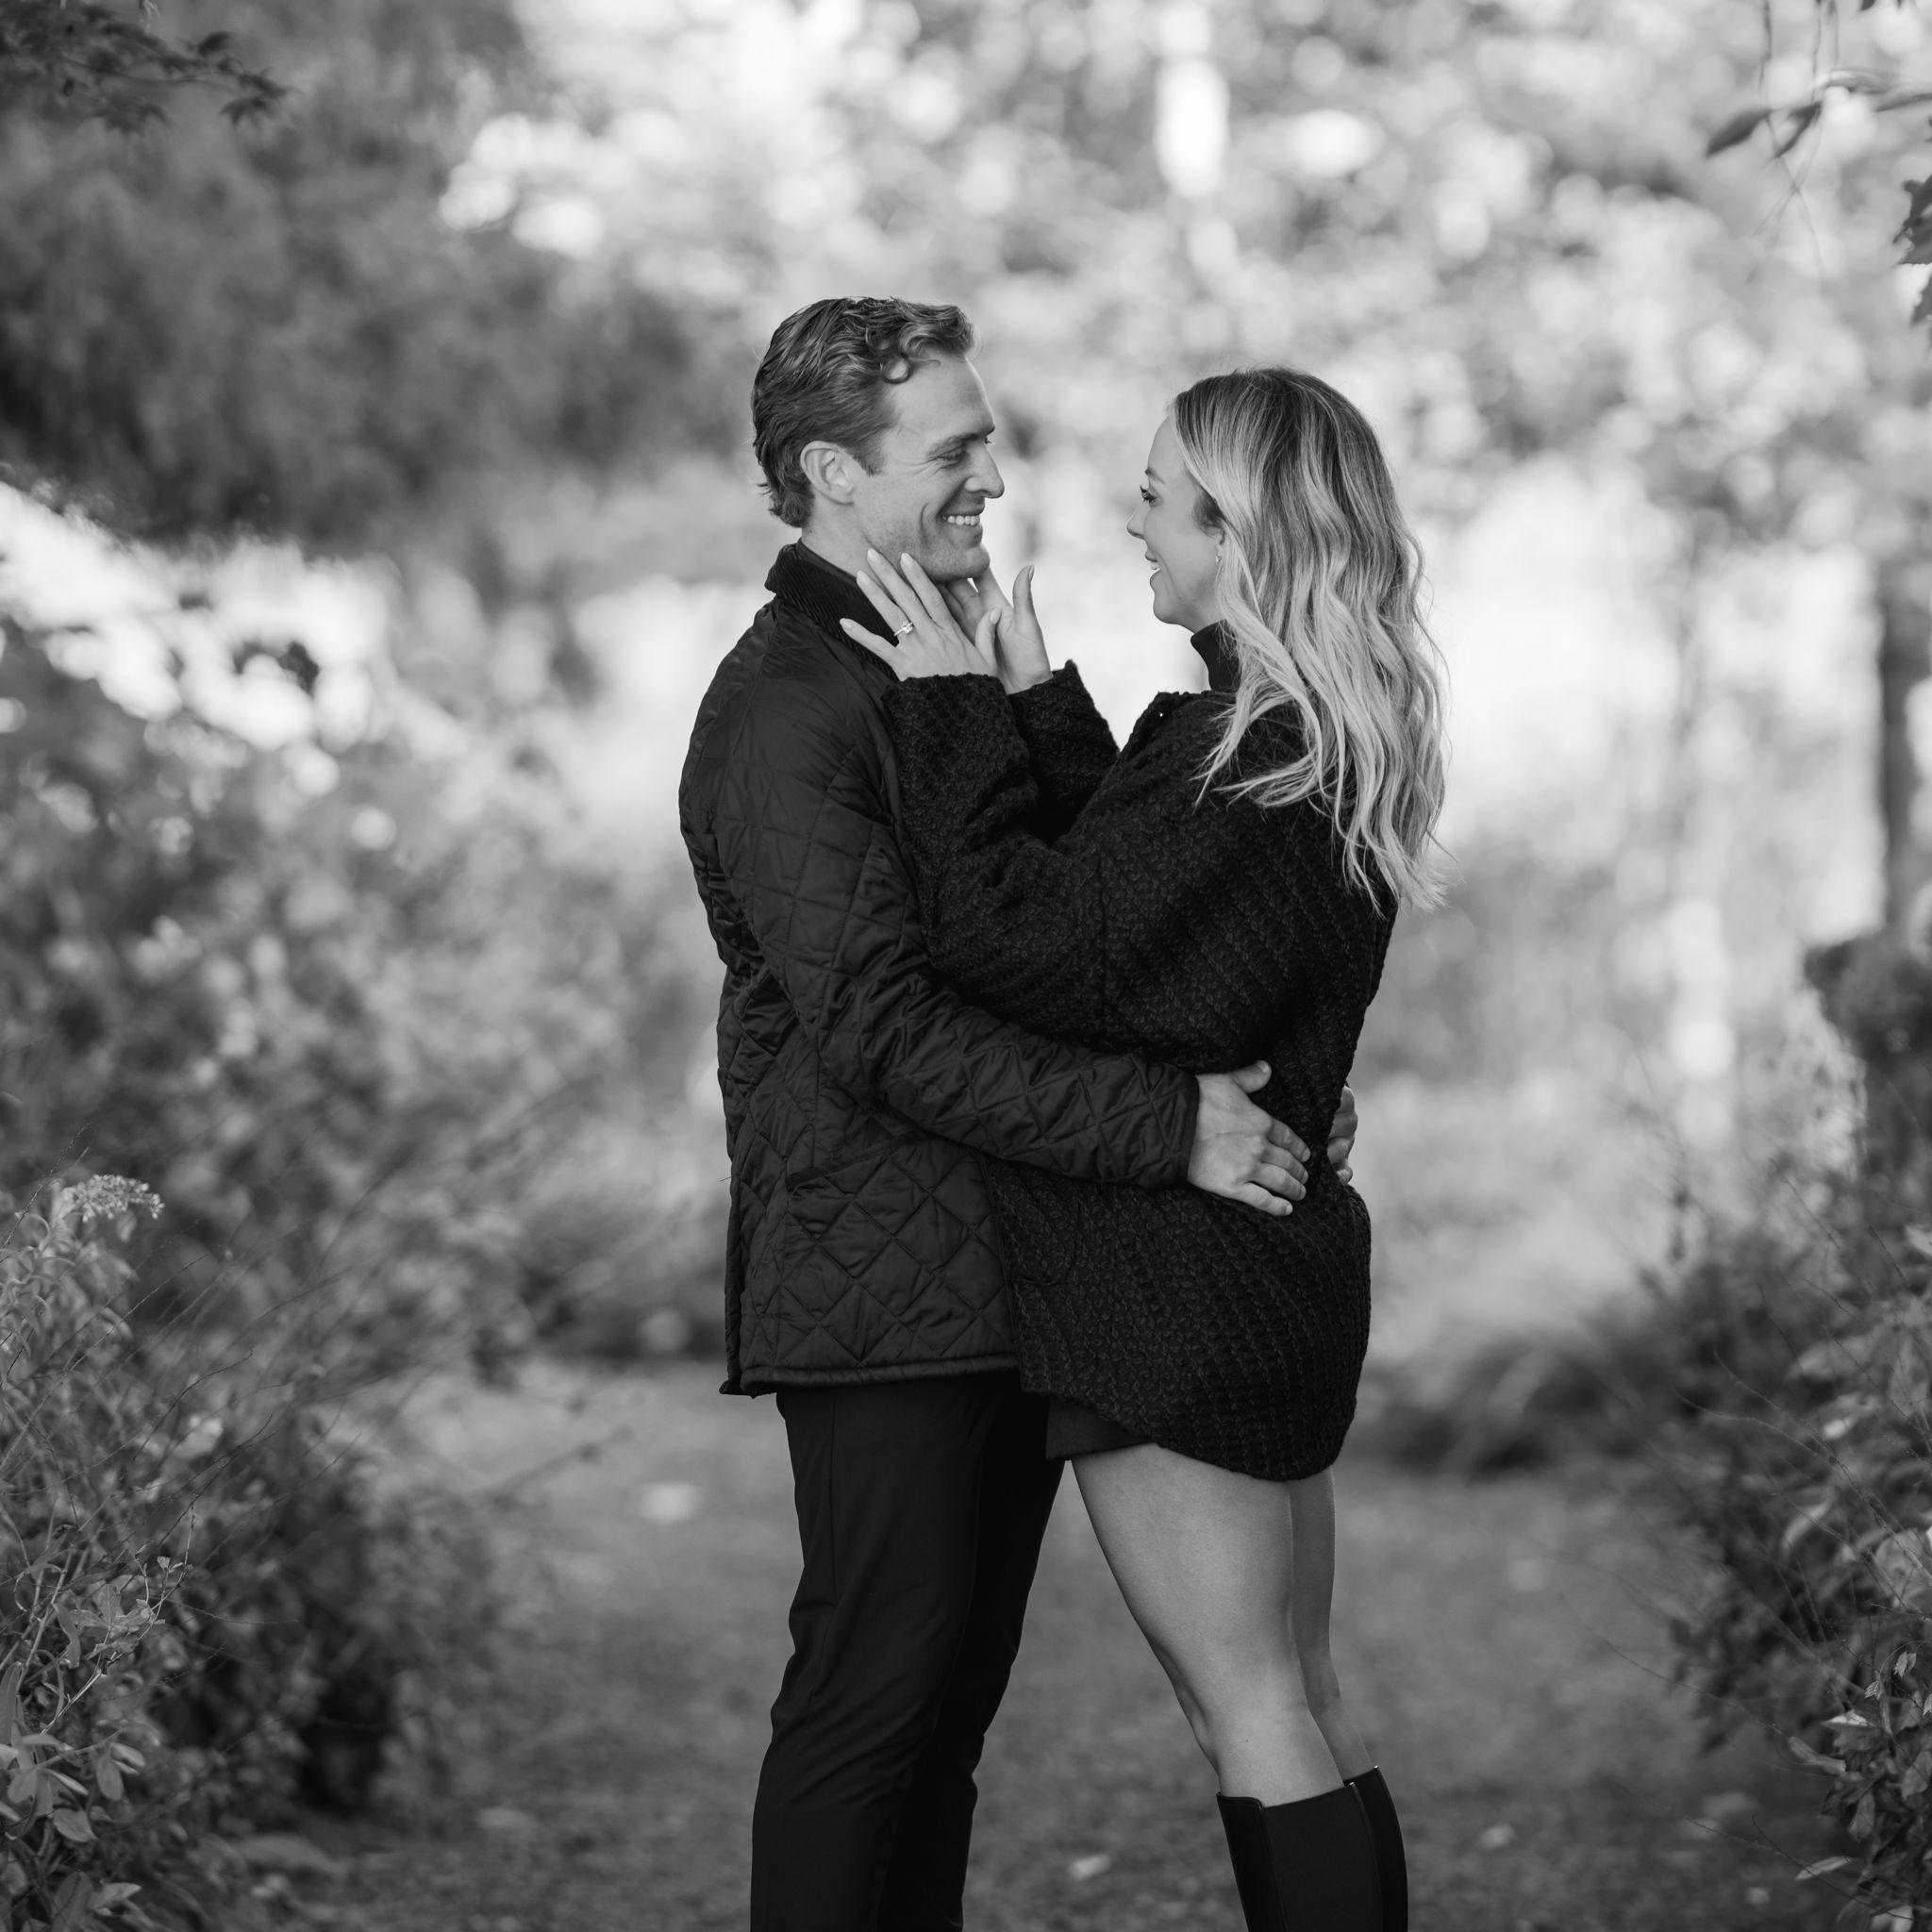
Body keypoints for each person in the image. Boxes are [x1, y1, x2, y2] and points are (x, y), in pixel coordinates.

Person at [678, 300, 1359, 1931]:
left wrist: (1020, 700)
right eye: (956, 449)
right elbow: (885, 1030)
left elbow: (1087, 923)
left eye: (988, 441)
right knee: (867, 1708)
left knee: (943, 1729)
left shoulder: (936, 661)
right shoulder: (787, 707)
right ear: (834, 473)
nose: (995, 478)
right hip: (883, 1299)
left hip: (1012, 1271)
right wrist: (1170, 1127)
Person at [839, 364, 1447, 1932]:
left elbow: (1034, 947)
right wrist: (1038, 703)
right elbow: (1135, 910)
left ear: (1240, 531)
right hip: (1255, 1272)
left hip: (1178, 1296)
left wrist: (948, 707)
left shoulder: (1252, 756)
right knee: (1298, 1691)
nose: (1135, 521)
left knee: (1252, 1707)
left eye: (1164, 498)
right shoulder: (1289, 740)